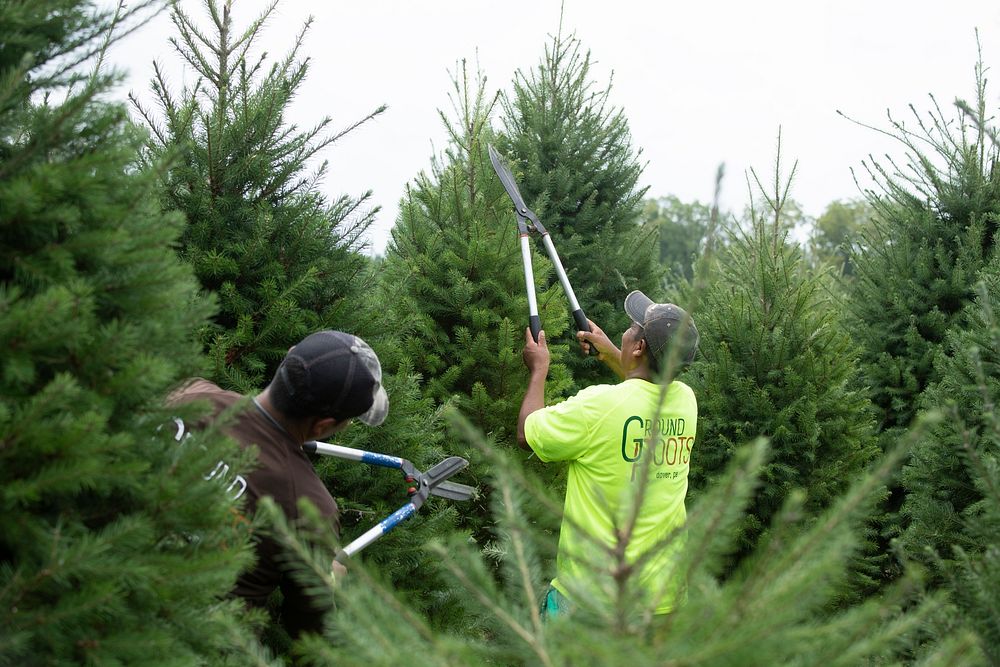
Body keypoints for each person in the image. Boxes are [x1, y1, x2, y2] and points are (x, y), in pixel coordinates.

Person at [169, 330, 389, 637]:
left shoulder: (190, 394)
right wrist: (329, 581)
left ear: (287, 358)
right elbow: (309, 631)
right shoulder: (309, 507)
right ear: (323, 425)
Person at [517, 290, 699, 620]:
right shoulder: (686, 401)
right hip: (662, 600)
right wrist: (615, 355)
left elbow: (527, 432)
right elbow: (642, 390)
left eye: (633, 328)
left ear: (640, 347)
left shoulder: (598, 406)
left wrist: (538, 369)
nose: (626, 332)